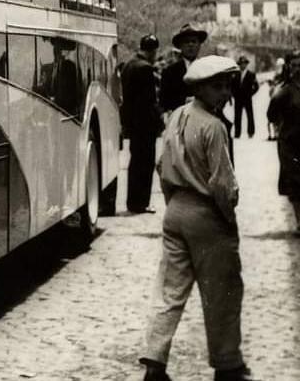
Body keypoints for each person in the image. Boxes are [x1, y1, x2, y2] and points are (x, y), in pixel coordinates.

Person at [139, 56, 256, 381]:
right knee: (222, 291)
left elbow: (161, 165)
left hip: (175, 212)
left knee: (169, 291)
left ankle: (154, 361)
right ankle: (227, 363)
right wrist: (228, 218)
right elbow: (222, 184)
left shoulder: (177, 115)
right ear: (200, 88)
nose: (225, 92)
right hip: (207, 216)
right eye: (217, 86)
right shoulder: (214, 126)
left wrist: (172, 203)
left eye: (227, 85)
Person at [122, 34, 164, 214]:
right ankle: (142, 203)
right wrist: (159, 122)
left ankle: (133, 201)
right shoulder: (146, 69)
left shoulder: (128, 65)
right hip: (145, 124)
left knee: (135, 163)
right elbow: (150, 101)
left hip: (133, 123)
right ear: (153, 51)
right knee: (146, 164)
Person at [266, 51, 300, 233]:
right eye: (294, 65)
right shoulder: (285, 91)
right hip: (291, 144)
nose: (297, 69)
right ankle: (299, 221)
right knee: (295, 182)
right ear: (289, 67)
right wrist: (282, 125)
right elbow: (271, 113)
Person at [159, 23, 207, 115]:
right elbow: (164, 101)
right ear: (180, 46)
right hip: (179, 118)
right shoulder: (169, 71)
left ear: (199, 45)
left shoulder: (207, 68)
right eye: (186, 42)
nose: (190, 45)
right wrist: (183, 100)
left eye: (194, 41)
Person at [37, 36, 80, 116]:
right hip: (54, 110)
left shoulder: (70, 66)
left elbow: (73, 90)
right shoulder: (48, 68)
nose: (58, 53)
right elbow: (46, 87)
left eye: (58, 50)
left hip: (66, 111)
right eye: (56, 51)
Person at [230, 56, 258, 139]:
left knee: (250, 115)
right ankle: (237, 133)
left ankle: (251, 132)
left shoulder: (251, 75)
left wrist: (251, 93)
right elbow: (232, 86)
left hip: (247, 98)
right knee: (237, 116)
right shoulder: (236, 74)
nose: (242, 65)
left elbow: (256, 86)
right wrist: (233, 94)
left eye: (244, 63)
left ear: (246, 64)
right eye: (241, 64)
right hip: (238, 98)